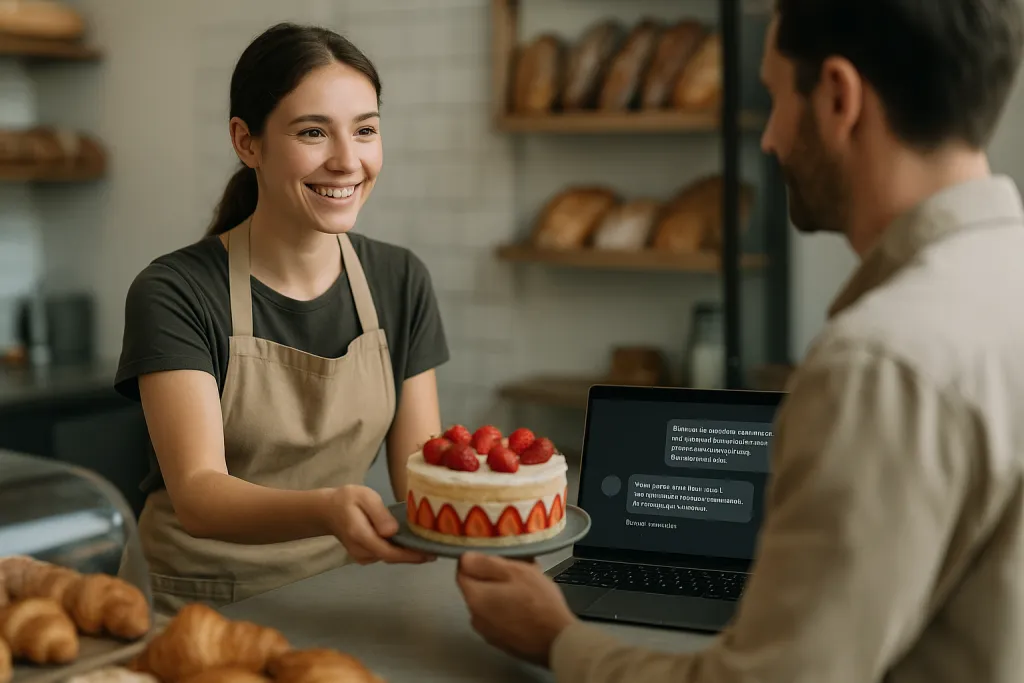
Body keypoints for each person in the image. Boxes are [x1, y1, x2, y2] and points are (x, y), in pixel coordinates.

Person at [456, 1, 1024, 681]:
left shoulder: (878, 360)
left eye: (777, 95)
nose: (769, 138)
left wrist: (556, 637)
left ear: (839, 97)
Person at [114, 23, 446, 615]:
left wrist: (500, 512)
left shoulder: (400, 280)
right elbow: (197, 495)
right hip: (192, 601)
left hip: (342, 594)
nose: (347, 161)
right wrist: (328, 510)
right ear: (247, 142)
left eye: (365, 130)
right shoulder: (175, 291)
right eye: (313, 132)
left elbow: (421, 479)